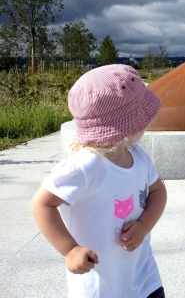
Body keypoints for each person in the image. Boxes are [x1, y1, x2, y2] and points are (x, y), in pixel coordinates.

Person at [30, 64, 167, 298]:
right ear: (127, 123)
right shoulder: (86, 166)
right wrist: (70, 250)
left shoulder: (138, 156)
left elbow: (158, 192)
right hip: (100, 288)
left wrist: (144, 226)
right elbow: (42, 204)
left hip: (144, 280)